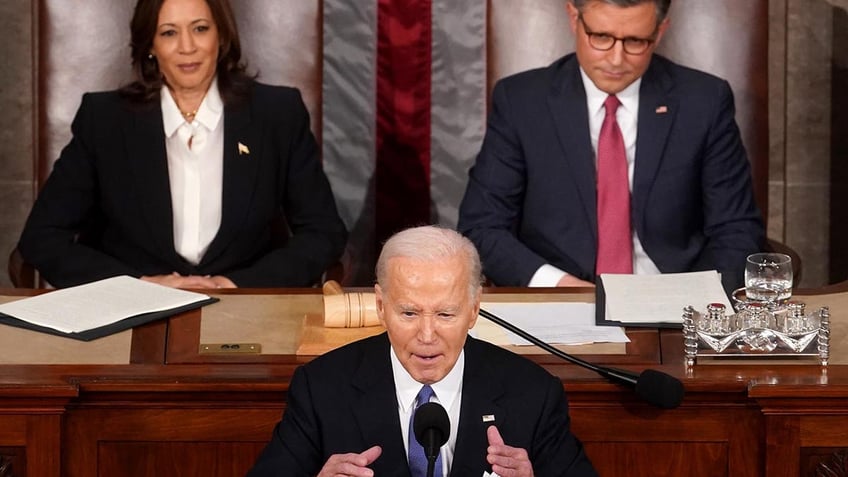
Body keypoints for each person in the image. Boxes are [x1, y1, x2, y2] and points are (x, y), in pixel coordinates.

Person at [17, 0, 347, 289]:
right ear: (150, 45)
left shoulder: (276, 114)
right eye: (169, 33)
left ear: (221, 36)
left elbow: (323, 232)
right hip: (132, 314)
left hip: (245, 311)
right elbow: (43, 237)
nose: (187, 47)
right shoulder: (105, 120)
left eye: (200, 29)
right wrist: (136, 286)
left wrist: (240, 285)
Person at [457, 0, 764, 294]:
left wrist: (696, 299)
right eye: (601, 37)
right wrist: (558, 286)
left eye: (635, 41)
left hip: (674, 302)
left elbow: (736, 228)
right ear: (574, 19)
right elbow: (482, 226)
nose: (616, 59)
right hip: (561, 297)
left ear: (660, 31)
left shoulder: (704, 102)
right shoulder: (521, 101)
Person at [247, 226, 597, 476]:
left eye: (445, 314)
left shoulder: (532, 393)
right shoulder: (321, 388)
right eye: (409, 313)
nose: (427, 335)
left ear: (474, 309)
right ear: (381, 305)